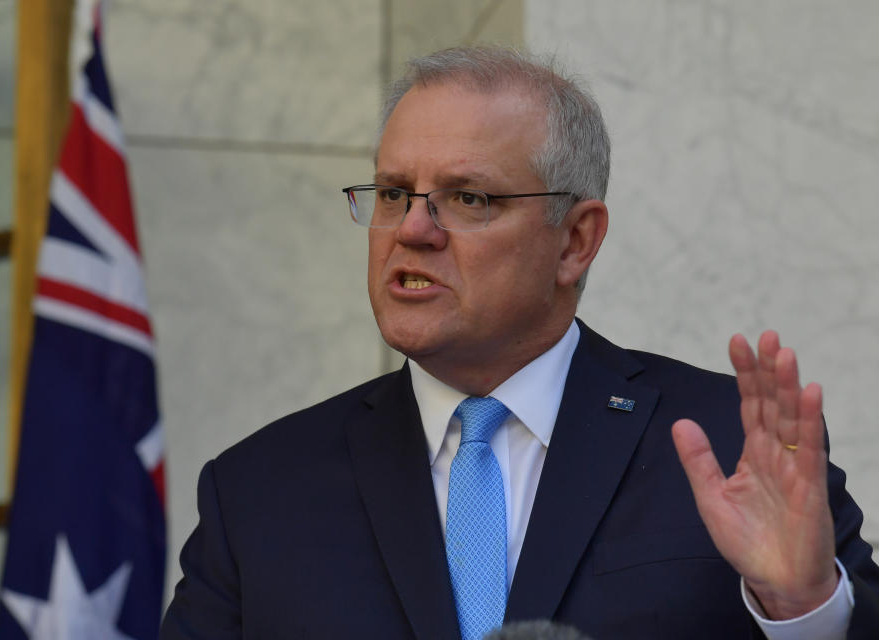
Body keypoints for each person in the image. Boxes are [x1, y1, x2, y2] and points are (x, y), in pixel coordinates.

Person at [159, 47, 879, 639]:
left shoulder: (727, 443)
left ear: (575, 241)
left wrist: (806, 607)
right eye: (391, 193)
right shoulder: (258, 491)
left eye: (468, 198)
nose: (412, 229)